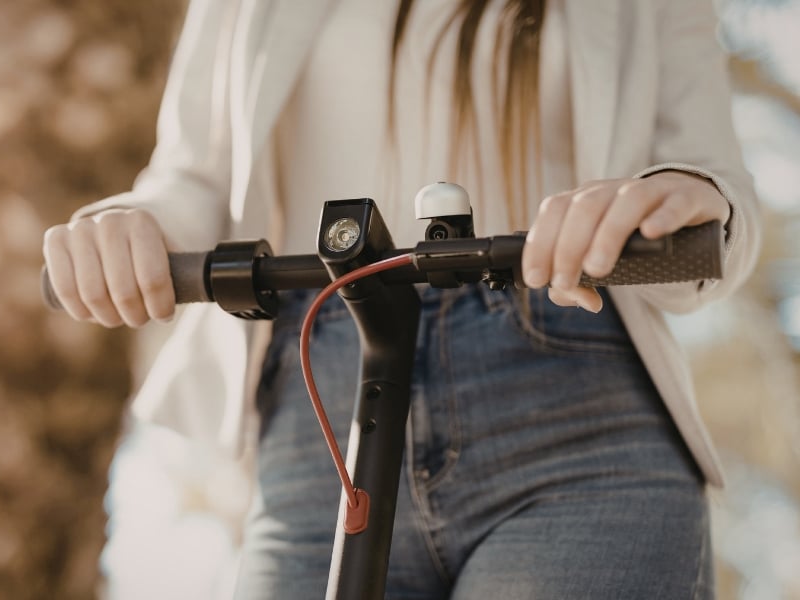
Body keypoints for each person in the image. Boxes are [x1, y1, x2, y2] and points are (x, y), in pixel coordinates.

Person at [43, 0, 761, 597]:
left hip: (573, 409)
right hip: (318, 421)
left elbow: (713, 190)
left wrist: (674, 201)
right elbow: (193, 177)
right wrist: (124, 230)